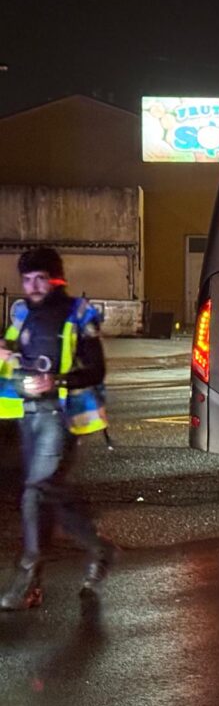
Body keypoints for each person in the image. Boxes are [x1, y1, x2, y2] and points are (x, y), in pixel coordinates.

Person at [0, 247, 113, 610]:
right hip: (27, 414)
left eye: (40, 278)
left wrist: (57, 381)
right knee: (47, 494)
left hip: (59, 417)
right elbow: (11, 350)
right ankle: (99, 550)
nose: (33, 286)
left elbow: (96, 369)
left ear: (55, 279)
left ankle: (28, 580)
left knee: (36, 491)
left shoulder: (78, 313)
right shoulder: (21, 313)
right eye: (27, 279)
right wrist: (4, 352)